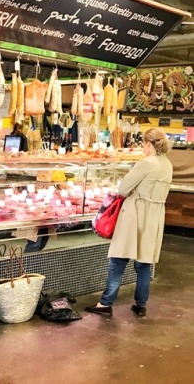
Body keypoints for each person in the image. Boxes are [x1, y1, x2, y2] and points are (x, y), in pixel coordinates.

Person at [85, 128, 173, 318]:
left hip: (136, 214)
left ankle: (106, 303)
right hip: (155, 216)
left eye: (143, 144)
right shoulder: (167, 164)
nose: (143, 147)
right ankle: (141, 304)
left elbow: (123, 189)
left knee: (118, 260)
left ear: (148, 144)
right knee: (143, 264)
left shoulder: (146, 163)